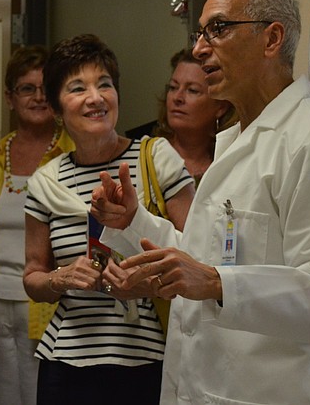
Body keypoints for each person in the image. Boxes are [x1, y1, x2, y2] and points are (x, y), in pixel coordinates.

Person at [95, 0, 310, 404]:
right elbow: (207, 260)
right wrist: (133, 223)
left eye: (219, 29)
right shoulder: (238, 139)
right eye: (200, 33)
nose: (199, 48)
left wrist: (217, 283)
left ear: (272, 39)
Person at [22, 34, 194, 405]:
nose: (95, 97)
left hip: (147, 359)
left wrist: (145, 284)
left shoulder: (156, 159)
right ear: (55, 108)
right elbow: (33, 276)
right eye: (77, 88)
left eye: (104, 84)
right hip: (65, 363)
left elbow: (198, 253)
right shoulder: (45, 182)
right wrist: (61, 277)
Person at [0, 45, 74, 405]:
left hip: (52, 302)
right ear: (10, 98)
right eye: (27, 88)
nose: (39, 96)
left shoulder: (76, 154)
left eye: (46, 87)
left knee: (45, 395)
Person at [153, 47, 235, 185]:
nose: (177, 98)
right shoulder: (148, 158)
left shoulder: (229, 164)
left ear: (221, 106)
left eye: (192, 90)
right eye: (173, 87)